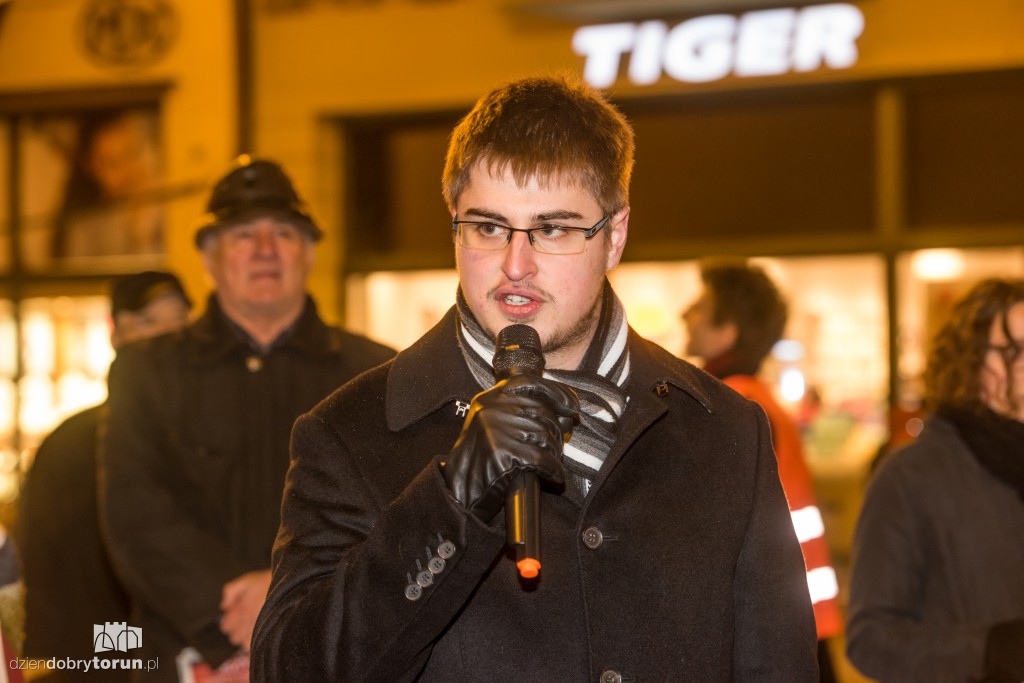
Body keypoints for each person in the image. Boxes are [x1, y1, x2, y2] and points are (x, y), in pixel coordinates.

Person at [251, 74, 817, 681]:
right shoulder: (352, 431)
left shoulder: (725, 429)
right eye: (488, 227)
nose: (515, 266)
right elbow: (288, 670)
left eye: (553, 229)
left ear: (615, 235)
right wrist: (452, 501)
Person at [99, 156, 397, 682]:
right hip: (186, 657)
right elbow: (135, 513)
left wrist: (286, 600)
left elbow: (395, 514)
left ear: (308, 253)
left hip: (334, 652)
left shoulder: (376, 371)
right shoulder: (145, 372)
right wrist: (225, 629)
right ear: (208, 257)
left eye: (283, 232)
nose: (265, 250)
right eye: (242, 235)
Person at [16, 270, 193, 680]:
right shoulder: (74, 443)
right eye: (148, 322)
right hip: (105, 657)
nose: (166, 337)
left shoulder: (215, 433)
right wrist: (125, 652)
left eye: (179, 322)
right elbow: (50, 574)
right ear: (115, 335)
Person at [845, 278, 1024, 683]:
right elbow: (870, 640)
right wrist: (992, 651)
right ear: (970, 361)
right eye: (1011, 350)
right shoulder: (909, 476)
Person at [681, 259, 844, 681]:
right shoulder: (759, 401)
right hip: (795, 609)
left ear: (727, 330)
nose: (685, 315)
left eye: (699, 307)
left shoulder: (729, 407)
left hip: (772, 619)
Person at [51, 109, 164, 261]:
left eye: (132, 153)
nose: (127, 170)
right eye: (112, 164)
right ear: (90, 167)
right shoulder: (86, 226)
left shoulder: (166, 210)